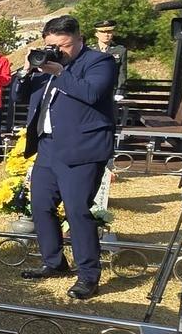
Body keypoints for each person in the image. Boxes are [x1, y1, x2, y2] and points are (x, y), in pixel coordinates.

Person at [19, 16, 118, 300]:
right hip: (48, 146)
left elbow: (91, 93)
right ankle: (54, 261)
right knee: (39, 206)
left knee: (77, 211)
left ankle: (88, 275)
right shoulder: (45, 64)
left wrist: (61, 72)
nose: (58, 51)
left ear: (79, 38)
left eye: (64, 45)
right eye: (51, 45)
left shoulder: (100, 62)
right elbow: (19, 96)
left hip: (82, 148)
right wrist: (26, 71)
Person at [94, 20, 128, 91]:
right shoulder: (89, 50)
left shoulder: (120, 50)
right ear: (96, 34)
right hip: (93, 89)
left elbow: (122, 72)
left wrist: (120, 90)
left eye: (109, 32)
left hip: (112, 90)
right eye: (102, 32)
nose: (106, 34)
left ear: (113, 33)